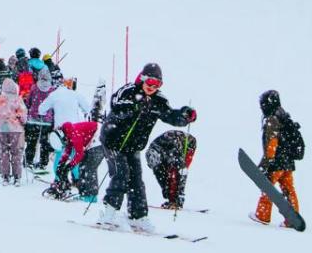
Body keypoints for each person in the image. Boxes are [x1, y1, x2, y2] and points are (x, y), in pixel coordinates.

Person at [97, 63, 196, 233]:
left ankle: (138, 217)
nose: (152, 87)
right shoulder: (128, 91)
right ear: (142, 79)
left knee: (136, 181)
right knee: (121, 175)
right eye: (149, 82)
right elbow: (116, 105)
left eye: (157, 84)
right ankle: (109, 213)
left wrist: (184, 116)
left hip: (133, 146)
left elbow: (171, 116)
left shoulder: (158, 100)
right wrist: (134, 107)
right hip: (114, 142)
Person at [40, 78, 99, 199]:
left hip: (60, 130)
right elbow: (88, 109)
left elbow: (41, 109)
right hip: (74, 126)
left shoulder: (54, 95)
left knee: (60, 155)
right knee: (73, 155)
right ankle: (76, 179)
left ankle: (59, 180)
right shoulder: (75, 94)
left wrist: (50, 114)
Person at [251, 90, 303, 226]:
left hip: (276, 162)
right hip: (288, 162)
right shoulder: (284, 116)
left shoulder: (272, 119)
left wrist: (265, 164)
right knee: (289, 190)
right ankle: (292, 219)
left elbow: (272, 143)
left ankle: (262, 215)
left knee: (268, 189)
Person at [147, 130, 197, 209]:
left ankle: (175, 201)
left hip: (188, 145)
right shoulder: (153, 148)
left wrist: (180, 196)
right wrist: (165, 188)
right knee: (163, 171)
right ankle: (171, 198)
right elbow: (159, 173)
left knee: (175, 172)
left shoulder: (172, 149)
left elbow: (182, 173)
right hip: (168, 149)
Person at [0, 78, 27, 185]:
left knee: (4, 152)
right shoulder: (18, 99)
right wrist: (22, 121)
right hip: (15, 128)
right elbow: (23, 115)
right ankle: (17, 177)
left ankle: (5, 177)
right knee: (16, 153)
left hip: (2, 128)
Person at [24, 66, 56, 169]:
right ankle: (43, 163)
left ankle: (28, 161)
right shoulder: (52, 90)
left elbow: (28, 102)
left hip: (33, 119)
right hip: (47, 121)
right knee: (44, 142)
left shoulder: (34, 87)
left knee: (31, 142)